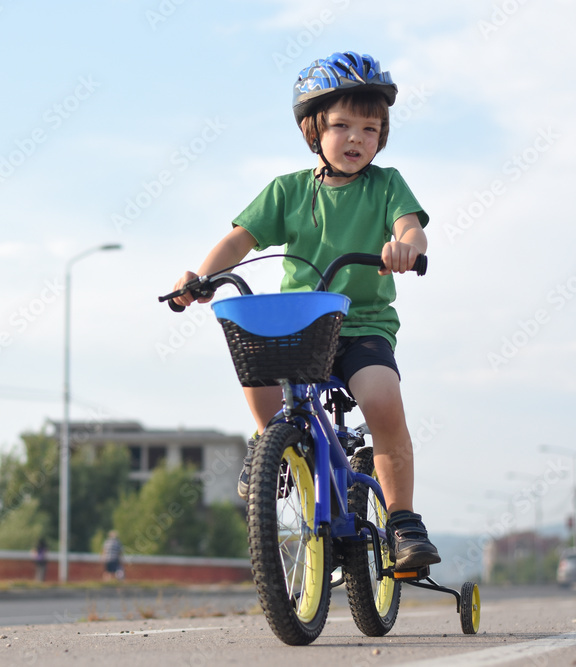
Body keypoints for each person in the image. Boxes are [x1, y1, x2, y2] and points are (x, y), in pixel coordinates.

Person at [171, 51, 440, 571]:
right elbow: (238, 240)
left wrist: (405, 245)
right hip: (302, 326)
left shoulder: (387, 185)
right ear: (313, 130)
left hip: (362, 327)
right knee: (254, 363)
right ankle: (271, 442)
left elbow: (411, 225)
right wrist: (199, 279)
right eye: (341, 125)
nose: (357, 137)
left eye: (370, 126)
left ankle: (404, 520)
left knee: (382, 401)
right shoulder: (288, 190)